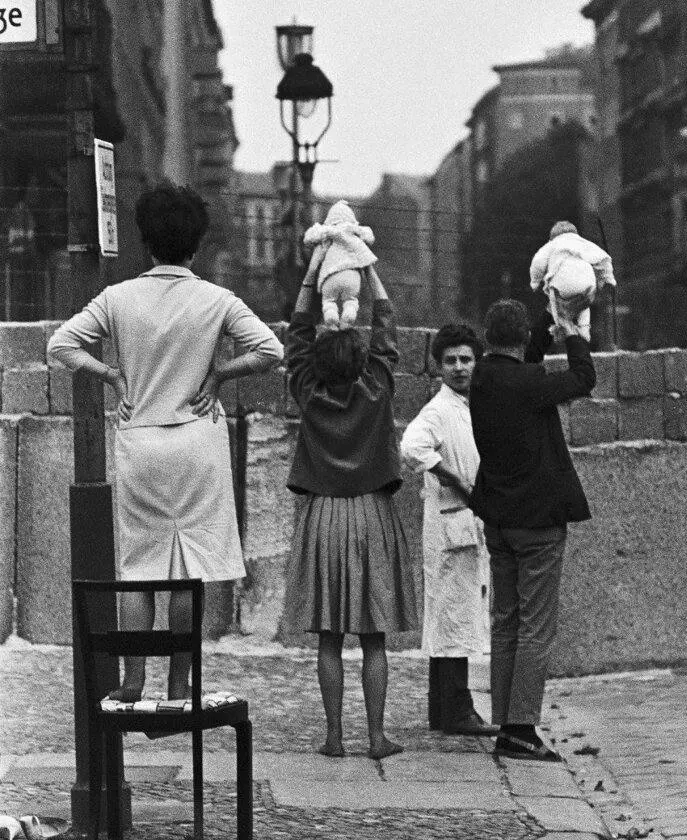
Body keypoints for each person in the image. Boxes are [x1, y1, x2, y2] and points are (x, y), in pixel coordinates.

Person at [47, 182, 284, 701]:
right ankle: (180, 678)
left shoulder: (118, 298)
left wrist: (110, 375)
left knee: (140, 568)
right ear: (194, 245)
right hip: (197, 440)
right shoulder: (216, 299)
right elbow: (270, 349)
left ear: (147, 242)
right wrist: (220, 374)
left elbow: (61, 343)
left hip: (142, 439)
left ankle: (133, 680)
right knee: (187, 570)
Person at [282, 256, 417, 760]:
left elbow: (296, 336)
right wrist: (366, 264)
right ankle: (377, 737)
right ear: (362, 362)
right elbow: (385, 323)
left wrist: (313, 272)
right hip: (371, 514)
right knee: (374, 636)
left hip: (323, 515)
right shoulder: (378, 387)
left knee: (330, 637)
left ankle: (335, 736)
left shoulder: (308, 391)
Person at [469, 298, 595, 760]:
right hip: (538, 521)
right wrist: (573, 331)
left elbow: (527, 361)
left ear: (487, 339)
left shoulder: (480, 377)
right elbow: (584, 378)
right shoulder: (530, 383)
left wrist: (547, 317)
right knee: (536, 626)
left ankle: (506, 724)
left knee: (505, 621)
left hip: (498, 517)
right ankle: (522, 729)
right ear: (522, 340)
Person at [400, 324, 496, 736]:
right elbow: (411, 447)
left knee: (455, 616)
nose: (459, 368)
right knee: (452, 617)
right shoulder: (438, 410)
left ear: (478, 362)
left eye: (466, 360)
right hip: (450, 522)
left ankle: (443, 710)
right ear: (439, 367)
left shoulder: (472, 405)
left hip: (466, 524)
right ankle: (457, 709)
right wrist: (454, 478)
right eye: (450, 361)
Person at [529, 221, 616, 342]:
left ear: (552, 237)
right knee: (584, 304)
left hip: (563, 285)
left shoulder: (552, 244)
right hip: (587, 284)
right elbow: (604, 259)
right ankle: (584, 328)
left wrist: (535, 282)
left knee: (555, 305)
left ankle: (560, 328)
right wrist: (608, 279)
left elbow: (538, 263)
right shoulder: (584, 243)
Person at [303, 200, 377, 329]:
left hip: (329, 275)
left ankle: (331, 315)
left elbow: (309, 237)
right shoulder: (354, 230)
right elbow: (369, 237)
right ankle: (349, 314)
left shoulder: (326, 231)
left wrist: (322, 233)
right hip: (351, 274)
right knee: (351, 300)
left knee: (328, 301)